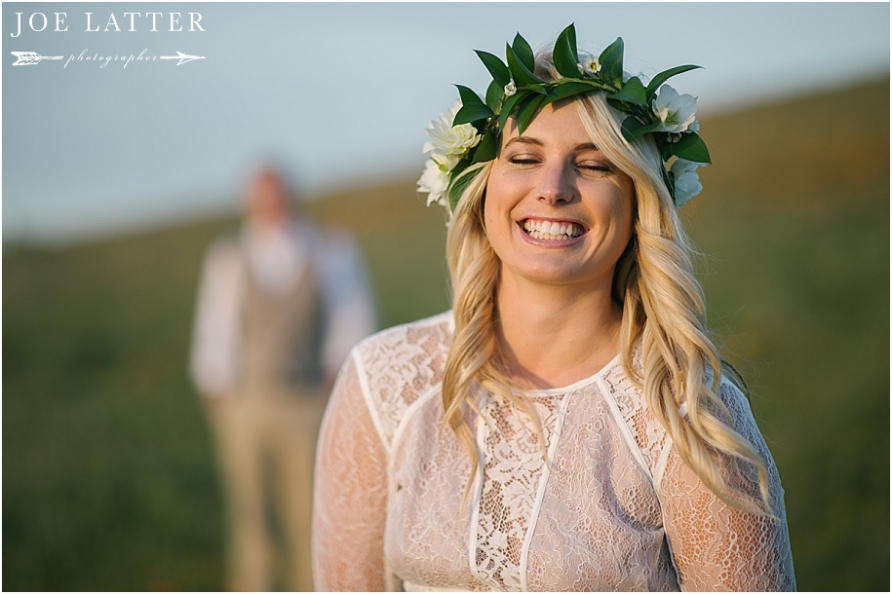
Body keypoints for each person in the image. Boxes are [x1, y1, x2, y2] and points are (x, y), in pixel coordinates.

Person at [313, 25, 795, 592]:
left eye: (593, 165)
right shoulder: (384, 382)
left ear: (639, 200)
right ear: (482, 186)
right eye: (523, 157)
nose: (553, 187)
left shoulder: (687, 412)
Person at [189, 165, 376, 591]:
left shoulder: (328, 249)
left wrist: (335, 377)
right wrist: (217, 388)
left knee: (311, 507)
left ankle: (312, 584)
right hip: (247, 400)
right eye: (261, 198)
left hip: (308, 396)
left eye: (277, 195)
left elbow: (352, 317)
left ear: (290, 196)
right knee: (249, 508)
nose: (270, 206)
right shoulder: (229, 257)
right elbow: (215, 324)